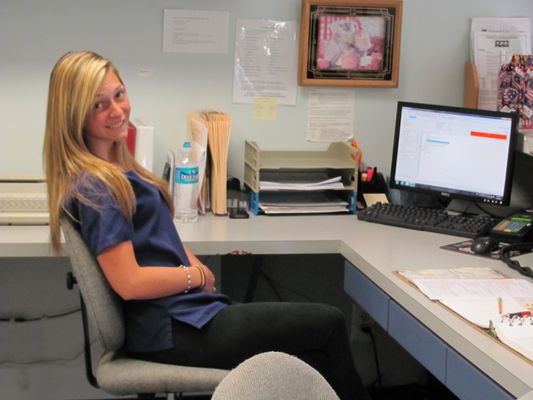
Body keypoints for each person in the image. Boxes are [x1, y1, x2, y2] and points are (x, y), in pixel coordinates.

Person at [43, 50, 370, 400]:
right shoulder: (98, 186)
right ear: (74, 114)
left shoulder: (119, 170)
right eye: (98, 105)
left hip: (188, 314)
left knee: (314, 355)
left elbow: (159, 236)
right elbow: (129, 282)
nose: (117, 110)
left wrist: (194, 264)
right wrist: (194, 276)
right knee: (330, 324)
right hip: (172, 330)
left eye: (119, 94)